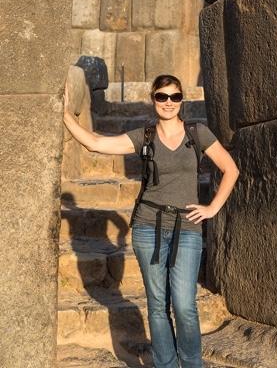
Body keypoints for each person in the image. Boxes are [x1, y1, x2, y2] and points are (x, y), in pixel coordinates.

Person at [63, 74, 239, 368]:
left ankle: (193, 364)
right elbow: (95, 144)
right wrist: (66, 114)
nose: (168, 103)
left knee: (184, 305)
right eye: (162, 96)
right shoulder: (144, 135)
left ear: (181, 100)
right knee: (158, 307)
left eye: (174, 97)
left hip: (187, 228)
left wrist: (211, 208)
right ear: (153, 98)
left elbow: (230, 169)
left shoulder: (198, 133)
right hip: (148, 227)